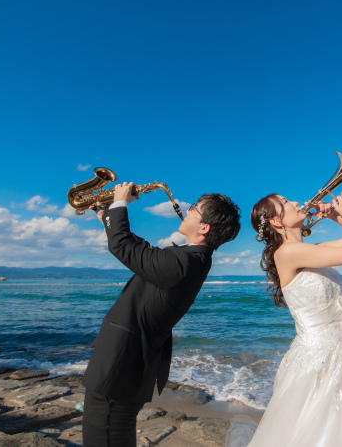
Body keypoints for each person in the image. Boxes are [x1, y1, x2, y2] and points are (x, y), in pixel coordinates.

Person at [226, 192, 342, 447]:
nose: (294, 202)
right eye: (284, 203)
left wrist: (336, 216)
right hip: (320, 356)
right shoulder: (287, 253)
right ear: (276, 222)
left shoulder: (310, 250)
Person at [83, 182, 241, 447]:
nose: (187, 210)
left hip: (120, 365)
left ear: (204, 228)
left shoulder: (185, 262)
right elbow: (143, 253)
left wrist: (121, 203)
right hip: (128, 366)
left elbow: (123, 246)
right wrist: (107, 217)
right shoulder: (192, 259)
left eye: (194, 209)